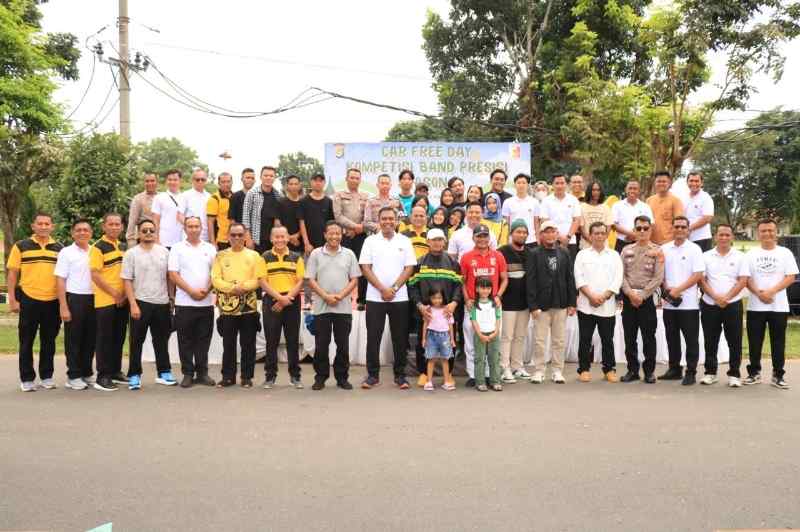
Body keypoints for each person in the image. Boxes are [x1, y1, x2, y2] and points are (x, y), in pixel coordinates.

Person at [359, 207, 417, 390]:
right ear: (379, 220)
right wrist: (382, 289)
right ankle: (372, 376)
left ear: (397, 221)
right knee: (373, 337)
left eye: (391, 219)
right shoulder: (370, 241)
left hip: (399, 298)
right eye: (384, 219)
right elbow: (365, 268)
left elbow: (409, 268)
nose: (387, 222)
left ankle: (400, 376)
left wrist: (393, 288)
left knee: (399, 338)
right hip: (375, 297)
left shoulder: (405, 241)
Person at [7, 212, 63, 391]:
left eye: (47, 224)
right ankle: (27, 378)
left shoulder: (60, 248)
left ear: (52, 227)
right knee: (26, 341)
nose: (44, 227)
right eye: (40, 223)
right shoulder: (21, 246)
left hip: (52, 301)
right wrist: (13, 300)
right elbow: (12, 274)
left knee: (49, 341)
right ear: (33, 226)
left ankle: (46, 376)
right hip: (29, 299)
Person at [742, 219, 799, 389]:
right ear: (758, 233)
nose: (767, 234)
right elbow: (745, 278)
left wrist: (771, 292)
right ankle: (754, 373)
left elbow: (791, 277)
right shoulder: (750, 254)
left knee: (778, 341)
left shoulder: (785, 253)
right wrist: (759, 293)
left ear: (776, 232)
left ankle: (778, 375)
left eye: (771, 230)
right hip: (755, 305)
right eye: (763, 231)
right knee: (754, 341)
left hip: (778, 306)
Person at [305, 221, 360, 390]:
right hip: (322, 307)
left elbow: (354, 279)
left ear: (341, 235)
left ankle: (342, 377)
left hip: (343, 307)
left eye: (338, 233)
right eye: (331, 233)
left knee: (342, 344)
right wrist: (325, 296)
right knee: (321, 344)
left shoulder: (349, 254)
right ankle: (320, 377)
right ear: (325, 235)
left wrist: (340, 296)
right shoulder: (315, 254)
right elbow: (310, 279)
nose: (335, 236)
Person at [121, 219, 175, 390]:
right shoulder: (131, 254)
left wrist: (171, 298)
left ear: (156, 232)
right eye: (144, 231)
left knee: (161, 340)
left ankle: (164, 372)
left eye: (151, 230)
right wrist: (133, 304)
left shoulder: (164, 252)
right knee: (136, 341)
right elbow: (127, 280)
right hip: (141, 302)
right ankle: (134, 375)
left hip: (162, 302)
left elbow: (169, 277)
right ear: (138, 233)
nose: (148, 233)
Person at [408, 228, 462, 388]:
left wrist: (454, 303)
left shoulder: (453, 263)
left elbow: (459, 285)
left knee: (450, 344)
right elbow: (412, 287)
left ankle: (449, 374)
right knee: (422, 343)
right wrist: (420, 305)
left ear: (444, 242)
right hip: (426, 313)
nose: (437, 242)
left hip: (447, 313)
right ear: (428, 242)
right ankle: (424, 373)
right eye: (434, 240)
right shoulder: (419, 262)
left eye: (440, 239)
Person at [212, 222, 263, 388]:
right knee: (228, 344)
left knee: (248, 344)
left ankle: (247, 377)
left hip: (249, 307)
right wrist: (232, 288)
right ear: (228, 236)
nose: (236, 238)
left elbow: (259, 279)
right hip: (227, 308)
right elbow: (215, 279)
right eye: (233, 235)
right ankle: (228, 377)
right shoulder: (220, 256)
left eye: (240, 235)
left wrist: (244, 287)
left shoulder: (255, 256)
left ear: (245, 236)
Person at [168, 216, 217, 388]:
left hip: (206, 303)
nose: (194, 229)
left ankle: (202, 373)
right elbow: (173, 274)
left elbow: (215, 274)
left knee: (204, 340)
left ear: (201, 228)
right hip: (184, 303)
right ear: (185, 228)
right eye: (190, 226)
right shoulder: (177, 248)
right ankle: (188, 373)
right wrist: (191, 291)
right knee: (185, 340)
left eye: (196, 226)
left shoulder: (210, 248)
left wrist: (206, 291)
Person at [526, 221, 577, 384]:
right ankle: (539, 370)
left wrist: (572, 302)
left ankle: (557, 370)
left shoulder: (564, 253)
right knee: (540, 340)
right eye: (546, 232)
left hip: (560, 303)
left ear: (557, 234)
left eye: (553, 232)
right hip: (541, 305)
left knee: (559, 340)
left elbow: (570, 278)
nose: (549, 235)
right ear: (541, 235)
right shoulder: (534, 253)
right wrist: (533, 306)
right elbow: (531, 281)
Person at [699, 224, 748, 387]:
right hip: (709, 304)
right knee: (710, 340)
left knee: (734, 341)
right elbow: (702, 280)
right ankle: (710, 373)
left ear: (732, 237)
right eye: (721, 235)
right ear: (715, 236)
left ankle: (734, 374)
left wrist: (726, 297)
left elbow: (743, 280)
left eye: (727, 235)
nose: (724, 238)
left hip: (733, 304)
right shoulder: (705, 256)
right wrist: (715, 297)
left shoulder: (741, 256)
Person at [460, 224, 508, 387]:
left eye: (485, 236)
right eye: (479, 236)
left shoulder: (498, 256)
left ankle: (488, 375)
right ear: (473, 238)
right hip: (473, 304)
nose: (482, 239)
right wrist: (466, 299)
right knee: (471, 340)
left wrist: (498, 296)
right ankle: (474, 374)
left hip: (492, 304)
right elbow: (463, 281)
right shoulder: (466, 257)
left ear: (489, 238)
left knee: (493, 337)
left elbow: (504, 279)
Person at [574, 222, 623, 382]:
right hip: (586, 305)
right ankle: (584, 369)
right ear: (590, 235)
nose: (600, 236)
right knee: (585, 339)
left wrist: (605, 296)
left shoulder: (614, 255)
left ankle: (609, 369)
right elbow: (579, 277)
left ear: (606, 235)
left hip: (607, 306)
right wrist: (591, 296)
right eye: (596, 233)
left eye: (602, 233)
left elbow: (618, 278)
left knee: (607, 340)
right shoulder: (582, 254)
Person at [659, 216, 705, 385]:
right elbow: (660, 273)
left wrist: (678, 289)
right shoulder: (664, 248)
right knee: (672, 338)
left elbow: (698, 274)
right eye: (676, 226)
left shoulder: (695, 249)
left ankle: (691, 371)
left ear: (688, 229)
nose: (679, 229)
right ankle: (674, 369)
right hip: (669, 304)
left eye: (683, 227)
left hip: (689, 305)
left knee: (691, 339)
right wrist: (668, 288)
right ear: (672, 228)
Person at [619, 215, 664, 384]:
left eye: (646, 228)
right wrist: (630, 293)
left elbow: (658, 277)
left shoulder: (658, 251)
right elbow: (621, 275)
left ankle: (649, 371)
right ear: (634, 230)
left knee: (648, 337)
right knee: (630, 337)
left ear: (651, 230)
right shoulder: (626, 250)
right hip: (629, 299)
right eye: (639, 228)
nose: (642, 231)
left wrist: (642, 295)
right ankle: (632, 370)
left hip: (647, 299)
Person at [259, 226, 305, 390]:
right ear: (271, 239)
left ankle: (295, 376)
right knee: (272, 340)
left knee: (292, 340)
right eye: (276, 237)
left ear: (288, 238)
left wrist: (287, 298)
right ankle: (270, 376)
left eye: (282, 237)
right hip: (272, 300)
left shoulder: (296, 257)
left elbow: (300, 281)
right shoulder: (264, 257)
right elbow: (262, 281)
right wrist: (279, 298)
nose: (279, 240)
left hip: (292, 300)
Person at [90, 213, 129, 391]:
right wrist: (115, 293)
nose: (114, 227)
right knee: (104, 339)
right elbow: (95, 275)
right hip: (106, 300)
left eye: (117, 224)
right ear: (104, 227)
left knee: (118, 337)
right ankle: (102, 376)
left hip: (122, 300)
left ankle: (114, 371)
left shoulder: (123, 246)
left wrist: (124, 295)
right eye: (111, 224)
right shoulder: (98, 247)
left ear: (122, 227)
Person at [55, 219, 96, 390]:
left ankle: (86, 373)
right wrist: (63, 306)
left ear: (91, 233)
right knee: (74, 339)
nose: (82, 233)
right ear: (72, 233)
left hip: (94, 299)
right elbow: (60, 279)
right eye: (78, 230)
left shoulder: (95, 251)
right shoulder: (66, 252)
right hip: (74, 298)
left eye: (85, 230)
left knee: (90, 339)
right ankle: (73, 375)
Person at [497, 220, 532, 383]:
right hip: (508, 303)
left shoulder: (531, 253)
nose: (522, 235)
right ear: (511, 234)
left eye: (524, 232)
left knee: (520, 336)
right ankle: (504, 367)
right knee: (507, 336)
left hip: (525, 303)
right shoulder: (502, 252)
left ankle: (517, 366)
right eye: (518, 232)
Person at [333, 168, 369, 309]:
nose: (354, 180)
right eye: (352, 177)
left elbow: (368, 217)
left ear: (360, 180)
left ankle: (362, 300)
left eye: (357, 178)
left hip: (361, 236)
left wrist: (360, 228)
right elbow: (338, 216)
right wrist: (355, 227)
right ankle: (344, 297)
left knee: (363, 267)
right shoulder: (339, 195)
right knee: (344, 267)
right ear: (347, 179)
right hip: (346, 236)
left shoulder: (365, 197)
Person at [470, 277, 503, 392]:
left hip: (493, 334)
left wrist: (495, 332)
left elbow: (498, 318)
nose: (485, 291)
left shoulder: (494, 303)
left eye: (488, 288)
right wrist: (480, 334)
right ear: (477, 289)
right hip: (480, 335)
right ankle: (480, 382)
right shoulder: (474, 304)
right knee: (480, 359)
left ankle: (495, 381)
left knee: (494, 358)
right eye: (482, 288)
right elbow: (473, 320)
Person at [539, 173, 581, 260]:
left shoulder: (573, 200)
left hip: (570, 241)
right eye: (557, 183)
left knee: (569, 269)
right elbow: (545, 221)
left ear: (566, 184)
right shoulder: (546, 201)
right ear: (552, 185)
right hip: (551, 241)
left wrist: (568, 237)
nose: (559, 186)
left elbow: (576, 220)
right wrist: (559, 237)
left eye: (562, 183)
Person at [420, 288, 456, 391]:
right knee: (431, 359)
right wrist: (423, 338)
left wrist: (452, 339)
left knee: (445, 359)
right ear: (430, 298)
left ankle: (446, 382)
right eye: (434, 298)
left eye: (439, 298)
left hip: (445, 337)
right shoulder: (428, 310)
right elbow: (425, 324)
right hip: (431, 336)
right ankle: (429, 381)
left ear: (443, 298)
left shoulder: (447, 309)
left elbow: (450, 325)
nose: (437, 300)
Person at [242, 166, 282, 253]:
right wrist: (248, 239)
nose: (268, 178)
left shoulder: (277, 195)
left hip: (274, 240)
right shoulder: (252, 193)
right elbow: (245, 218)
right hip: (256, 239)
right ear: (260, 177)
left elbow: (278, 217)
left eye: (271, 176)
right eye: (266, 175)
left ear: (275, 178)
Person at [611, 180, 654, 254]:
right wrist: (630, 234)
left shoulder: (645, 207)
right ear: (625, 189)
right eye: (630, 188)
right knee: (621, 265)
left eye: (635, 189)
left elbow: (651, 224)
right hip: (622, 243)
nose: (632, 191)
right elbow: (613, 224)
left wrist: (636, 236)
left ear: (639, 191)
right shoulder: (617, 205)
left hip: (641, 243)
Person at [677, 172, 714, 252]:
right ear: (687, 182)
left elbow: (707, 218)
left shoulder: (706, 197)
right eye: (691, 181)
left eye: (697, 181)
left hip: (702, 238)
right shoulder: (683, 197)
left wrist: (688, 229)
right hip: (686, 239)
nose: (694, 183)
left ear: (702, 183)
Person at [299, 173, 335, 254]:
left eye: (320, 181)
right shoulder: (303, 201)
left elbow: (331, 225)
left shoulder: (329, 202)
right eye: (315, 180)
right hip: (309, 246)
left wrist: (329, 242)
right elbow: (301, 223)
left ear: (324, 183)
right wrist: (306, 243)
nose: (318, 183)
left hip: (325, 245)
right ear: (311, 182)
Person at [501, 173, 539, 248]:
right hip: (513, 241)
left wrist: (538, 239)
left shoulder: (534, 202)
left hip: (531, 240)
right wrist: (506, 240)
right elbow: (506, 224)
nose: (521, 185)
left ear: (528, 185)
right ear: (515, 185)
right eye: (518, 183)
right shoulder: (508, 202)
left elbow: (536, 223)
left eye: (524, 183)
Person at [646, 171, 684, 245]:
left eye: (664, 181)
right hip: (650, 243)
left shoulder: (676, 201)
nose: (661, 184)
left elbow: (679, 223)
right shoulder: (649, 200)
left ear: (669, 183)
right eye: (658, 181)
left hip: (669, 243)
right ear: (655, 183)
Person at [151, 169, 186, 249]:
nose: (172, 182)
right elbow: (155, 220)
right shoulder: (159, 197)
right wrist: (156, 239)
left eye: (175, 180)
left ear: (180, 181)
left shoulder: (185, 197)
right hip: (164, 241)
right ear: (166, 181)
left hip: (182, 241)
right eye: (170, 180)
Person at [125, 172, 158, 248]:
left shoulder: (163, 197)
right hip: (144, 237)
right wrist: (130, 240)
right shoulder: (138, 198)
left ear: (157, 182)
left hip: (160, 238)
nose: (150, 183)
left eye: (152, 181)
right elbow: (132, 221)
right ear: (144, 183)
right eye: (147, 181)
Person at [579, 181, 613, 249]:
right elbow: (582, 229)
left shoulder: (606, 207)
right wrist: (593, 242)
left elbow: (608, 228)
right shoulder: (581, 207)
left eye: (598, 190)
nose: (596, 192)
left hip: (603, 247)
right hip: (586, 247)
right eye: (593, 190)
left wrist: (600, 242)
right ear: (589, 191)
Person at [182, 168, 211, 242]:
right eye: (197, 179)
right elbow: (179, 215)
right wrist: (191, 229)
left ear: (206, 181)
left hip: (205, 237)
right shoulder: (185, 195)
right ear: (192, 180)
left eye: (203, 179)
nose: (200, 181)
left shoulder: (209, 197)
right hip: (189, 237)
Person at [277, 174, 304, 253]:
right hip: (283, 244)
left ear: (300, 186)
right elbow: (277, 223)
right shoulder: (280, 202)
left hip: (300, 245)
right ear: (287, 186)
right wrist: (288, 237)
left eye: (296, 184)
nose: (294, 186)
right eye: (291, 184)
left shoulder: (304, 203)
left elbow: (306, 223)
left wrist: (297, 235)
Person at [207, 171, 232, 250]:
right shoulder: (214, 199)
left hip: (234, 239)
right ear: (219, 183)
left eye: (228, 181)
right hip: (220, 240)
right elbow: (210, 222)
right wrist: (212, 242)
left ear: (232, 182)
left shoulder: (235, 197)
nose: (226, 184)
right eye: (223, 182)